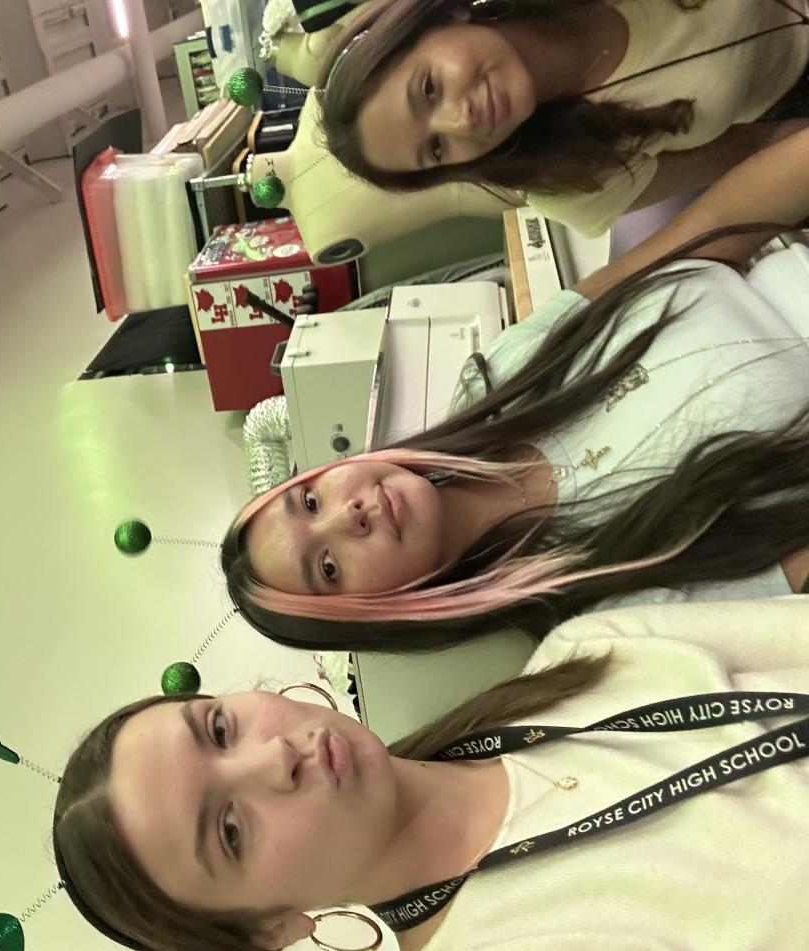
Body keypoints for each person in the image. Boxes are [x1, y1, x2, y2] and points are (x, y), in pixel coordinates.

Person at [220, 123, 809, 654]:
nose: (348, 515)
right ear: (376, 617)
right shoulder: (603, 611)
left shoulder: (499, 373)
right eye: (327, 567)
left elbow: (710, 228)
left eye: (311, 501)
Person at [52, 596, 809, 951]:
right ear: (268, 928)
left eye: (220, 728)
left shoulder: (587, 654)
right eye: (228, 829)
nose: (273, 757)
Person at [317, 0, 809, 236]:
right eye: (436, 148)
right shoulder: (568, 181)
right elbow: (756, 151)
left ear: (442, 19)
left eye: (429, 88)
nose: (460, 122)